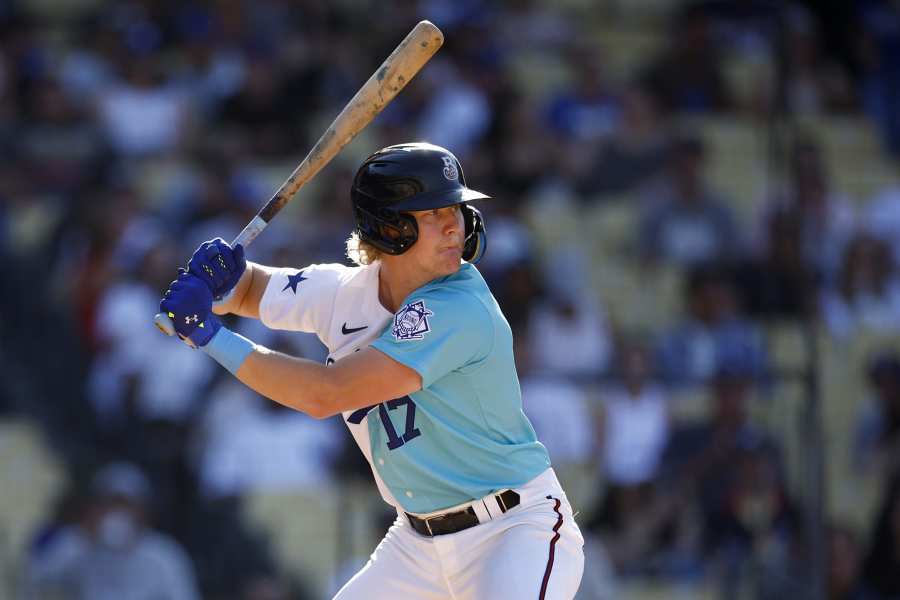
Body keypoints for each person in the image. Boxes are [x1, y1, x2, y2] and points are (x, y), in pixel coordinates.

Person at [158, 142, 585, 599]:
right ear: (388, 228)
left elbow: (325, 394)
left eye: (456, 209)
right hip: (416, 544)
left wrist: (210, 335)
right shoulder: (344, 292)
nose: (452, 226)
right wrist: (215, 281)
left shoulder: (461, 306)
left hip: (513, 531)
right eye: (430, 213)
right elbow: (251, 291)